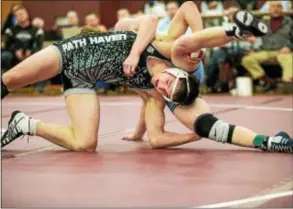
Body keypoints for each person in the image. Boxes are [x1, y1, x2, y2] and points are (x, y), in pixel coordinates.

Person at [2, 2, 285, 153]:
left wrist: (194, 133)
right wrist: (134, 54)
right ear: (176, 70)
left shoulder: (154, 96)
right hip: (72, 52)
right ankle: (237, 31)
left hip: (82, 81)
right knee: (10, 80)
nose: (161, 87)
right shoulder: (166, 47)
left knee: (85, 144)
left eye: (166, 93)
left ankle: (25, 124)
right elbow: (155, 23)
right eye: (169, 83)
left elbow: (158, 139)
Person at [242, 1, 293, 92]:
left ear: (282, 9)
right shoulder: (263, 23)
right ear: (268, 9)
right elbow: (256, 39)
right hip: (265, 50)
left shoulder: (290, 22)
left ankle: (287, 83)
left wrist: (289, 47)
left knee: (288, 58)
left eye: (278, 6)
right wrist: (253, 50)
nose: (275, 9)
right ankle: (267, 81)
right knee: (247, 59)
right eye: (273, 7)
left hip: (282, 50)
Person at [1, 5, 44, 71]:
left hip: (32, 55)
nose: (21, 16)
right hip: (14, 55)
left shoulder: (37, 30)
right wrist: (15, 51)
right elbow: (7, 46)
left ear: (27, 14)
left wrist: (31, 51)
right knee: (4, 56)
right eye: (17, 15)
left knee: (42, 57)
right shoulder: (10, 30)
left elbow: (39, 46)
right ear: (15, 18)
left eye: (22, 13)